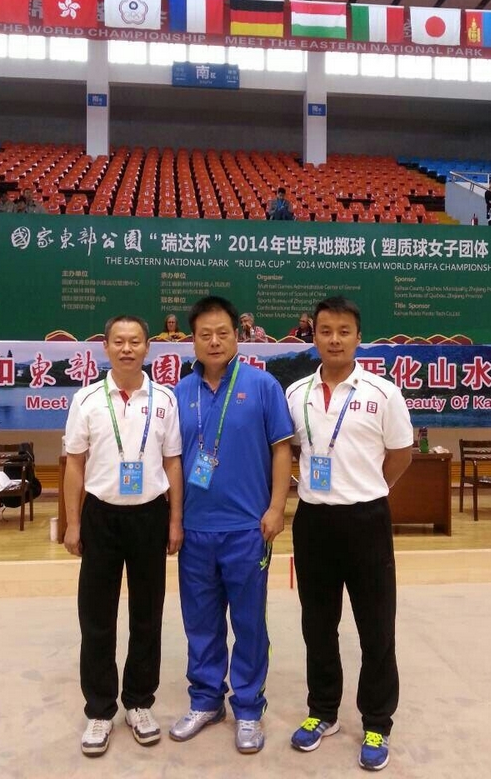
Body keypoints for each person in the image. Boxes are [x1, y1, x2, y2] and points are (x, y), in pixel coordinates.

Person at [285, 296, 413, 772]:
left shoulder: (383, 393)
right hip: (313, 522)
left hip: (366, 521)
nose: (334, 339)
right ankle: (323, 711)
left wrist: (368, 488)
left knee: (376, 626)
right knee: (317, 625)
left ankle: (377, 720)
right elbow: (291, 450)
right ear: (313, 336)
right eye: (325, 331)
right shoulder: (295, 393)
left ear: (359, 337)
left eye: (344, 331)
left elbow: (400, 454)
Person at [170, 296, 293, 754]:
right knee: (200, 622)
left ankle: (248, 707)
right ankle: (205, 701)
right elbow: (171, 462)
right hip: (195, 530)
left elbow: (282, 449)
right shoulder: (179, 393)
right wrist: (175, 520)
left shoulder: (262, 385)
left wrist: (277, 508)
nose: (215, 341)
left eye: (222, 332)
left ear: (237, 336)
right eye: (205, 335)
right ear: (193, 341)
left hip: (247, 529)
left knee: (249, 623)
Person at [63, 314, 183, 758]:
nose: (127, 348)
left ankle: (139, 703)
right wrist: (73, 522)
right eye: (119, 341)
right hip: (101, 515)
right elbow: (74, 463)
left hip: (150, 515)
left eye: (135, 341)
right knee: (96, 616)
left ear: (148, 347)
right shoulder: (87, 399)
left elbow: (173, 462)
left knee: (147, 615)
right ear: (106, 347)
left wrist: (175, 520)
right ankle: (99, 709)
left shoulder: (165, 398)